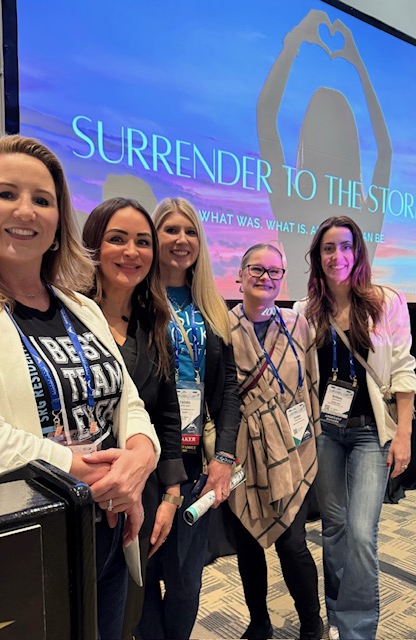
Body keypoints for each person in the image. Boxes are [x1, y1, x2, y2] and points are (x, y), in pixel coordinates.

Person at [0, 135, 160, 640]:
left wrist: (140, 458)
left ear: (57, 223)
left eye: (42, 200)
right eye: (6, 193)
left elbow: (129, 404)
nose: (26, 210)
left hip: (111, 530)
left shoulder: (82, 306)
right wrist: (105, 477)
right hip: (28, 539)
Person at [294, 216, 416, 640]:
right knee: (334, 529)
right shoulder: (304, 312)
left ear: (358, 252)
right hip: (326, 433)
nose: (337, 256)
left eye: (345, 246)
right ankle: (337, 617)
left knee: (362, 534)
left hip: (369, 433)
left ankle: (357, 630)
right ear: (318, 257)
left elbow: (402, 369)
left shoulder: (386, 301)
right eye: (328, 248)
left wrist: (403, 434)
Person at [81, 197, 187, 638]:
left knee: (125, 616)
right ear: (92, 245)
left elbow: (167, 413)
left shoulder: (153, 321)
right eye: (117, 239)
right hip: (79, 490)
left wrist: (171, 494)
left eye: (143, 242)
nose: (132, 252)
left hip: (138, 493)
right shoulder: (63, 312)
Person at [137, 197, 240, 640]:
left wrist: (225, 456)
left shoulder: (212, 306)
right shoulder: (134, 299)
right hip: (145, 458)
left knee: (185, 582)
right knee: (141, 578)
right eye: (171, 230)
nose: (181, 240)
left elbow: (229, 390)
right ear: (154, 237)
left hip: (198, 460)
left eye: (191, 231)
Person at [257, 9, 392, 299]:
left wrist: (293, 42)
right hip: (308, 321)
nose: (336, 256)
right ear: (350, 143)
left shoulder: (290, 201)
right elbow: (385, 153)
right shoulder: (366, 214)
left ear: (307, 136)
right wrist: (359, 66)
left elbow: (265, 116)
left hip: (306, 319)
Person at [227, 243, 322, 640]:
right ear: (240, 275)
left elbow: (311, 383)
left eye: (274, 271)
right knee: (248, 543)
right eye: (257, 269)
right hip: (244, 450)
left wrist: (311, 434)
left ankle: (312, 623)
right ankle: (259, 622)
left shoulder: (298, 324)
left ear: (283, 278)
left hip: (293, 449)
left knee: (292, 544)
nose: (265, 278)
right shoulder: (223, 327)